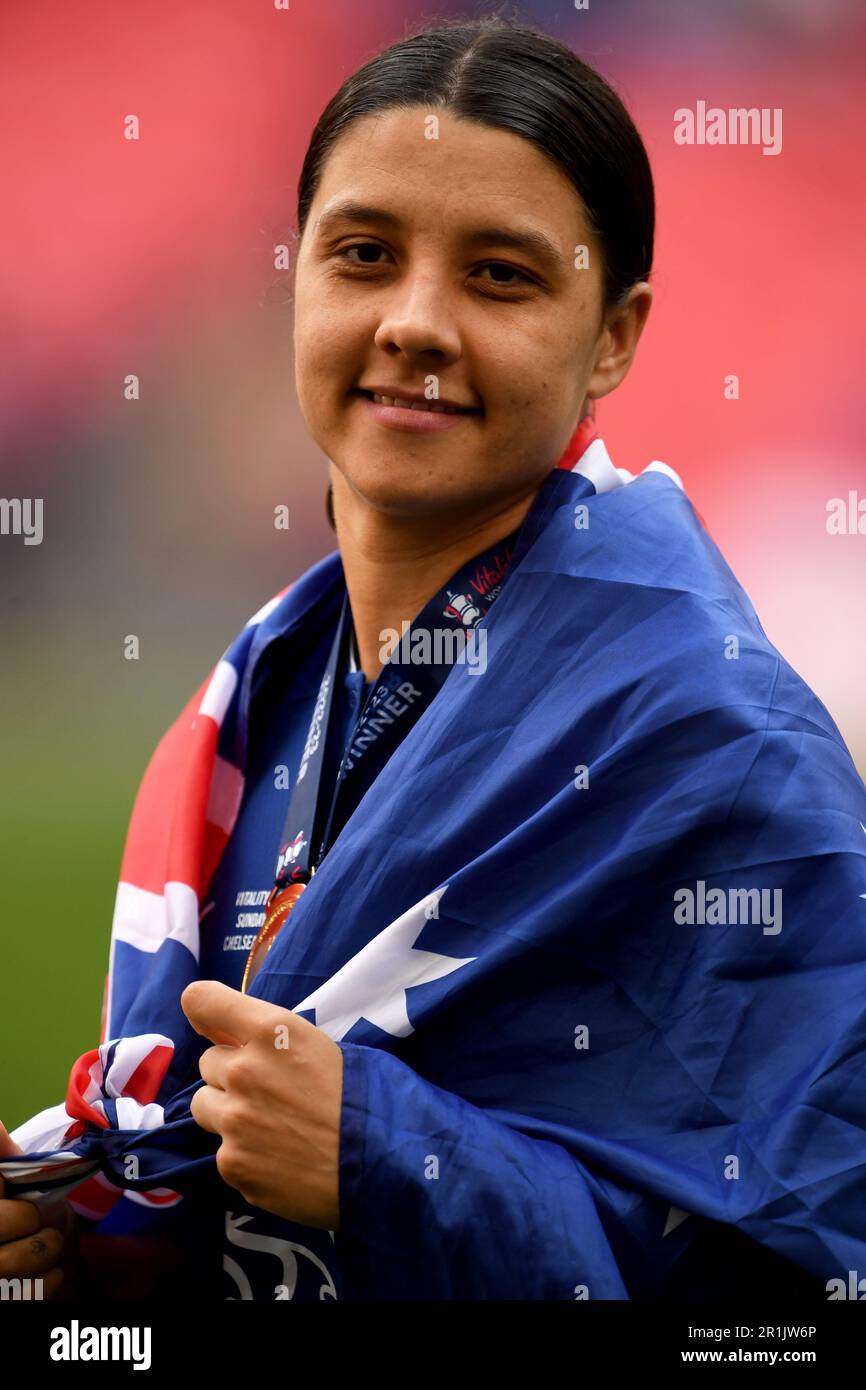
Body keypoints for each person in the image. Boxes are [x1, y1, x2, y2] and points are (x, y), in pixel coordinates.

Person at [2, 14, 865, 1302]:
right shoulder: (258, 705)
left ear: (616, 335)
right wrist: (91, 1258)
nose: (414, 321)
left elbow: (800, 1300)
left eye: (501, 276)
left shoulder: (719, 747)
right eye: (363, 256)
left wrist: (393, 1160)